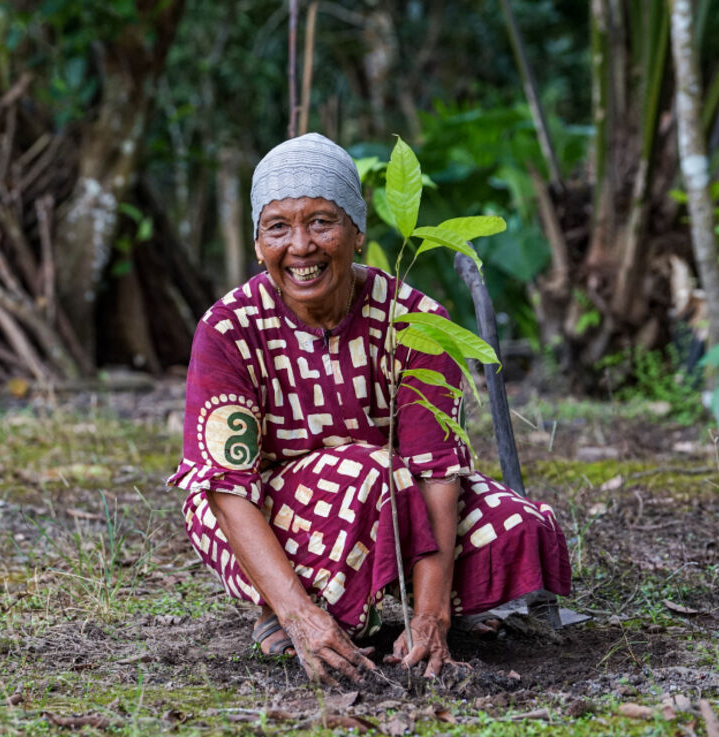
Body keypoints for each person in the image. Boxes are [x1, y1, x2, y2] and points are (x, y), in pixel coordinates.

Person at [168, 133, 571, 684]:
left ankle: (414, 615)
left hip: (398, 496)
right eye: (278, 227)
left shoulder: (416, 319)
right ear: (258, 243)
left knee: (514, 526)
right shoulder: (228, 329)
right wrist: (297, 613)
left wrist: (433, 615)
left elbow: (434, 472)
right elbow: (227, 488)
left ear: (357, 233)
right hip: (267, 511)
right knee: (373, 473)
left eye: (321, 222)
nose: (301, 246)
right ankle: (296, 614)